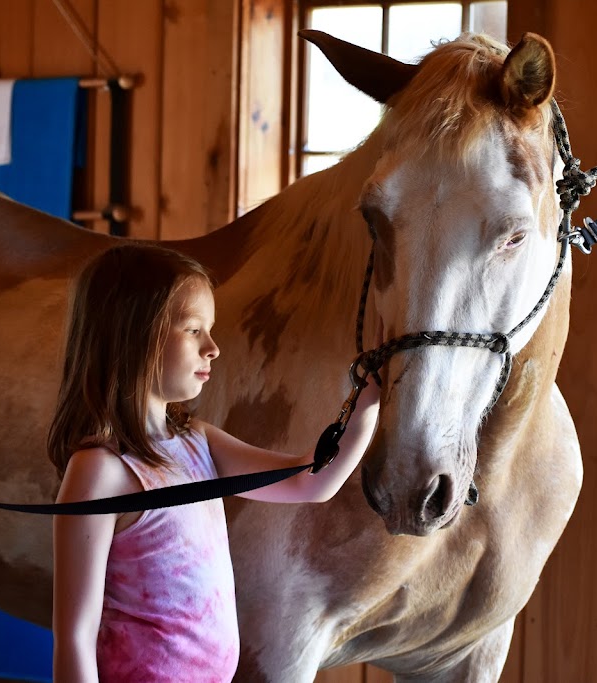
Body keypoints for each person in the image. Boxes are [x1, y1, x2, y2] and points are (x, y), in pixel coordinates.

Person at [47, 243, 380, 683]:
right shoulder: (101, 472)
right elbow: (75, 633)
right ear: (134, 334)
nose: (213, 348)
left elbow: (311, 483)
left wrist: (369, 397)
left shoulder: (196, 442)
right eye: (193, 329)